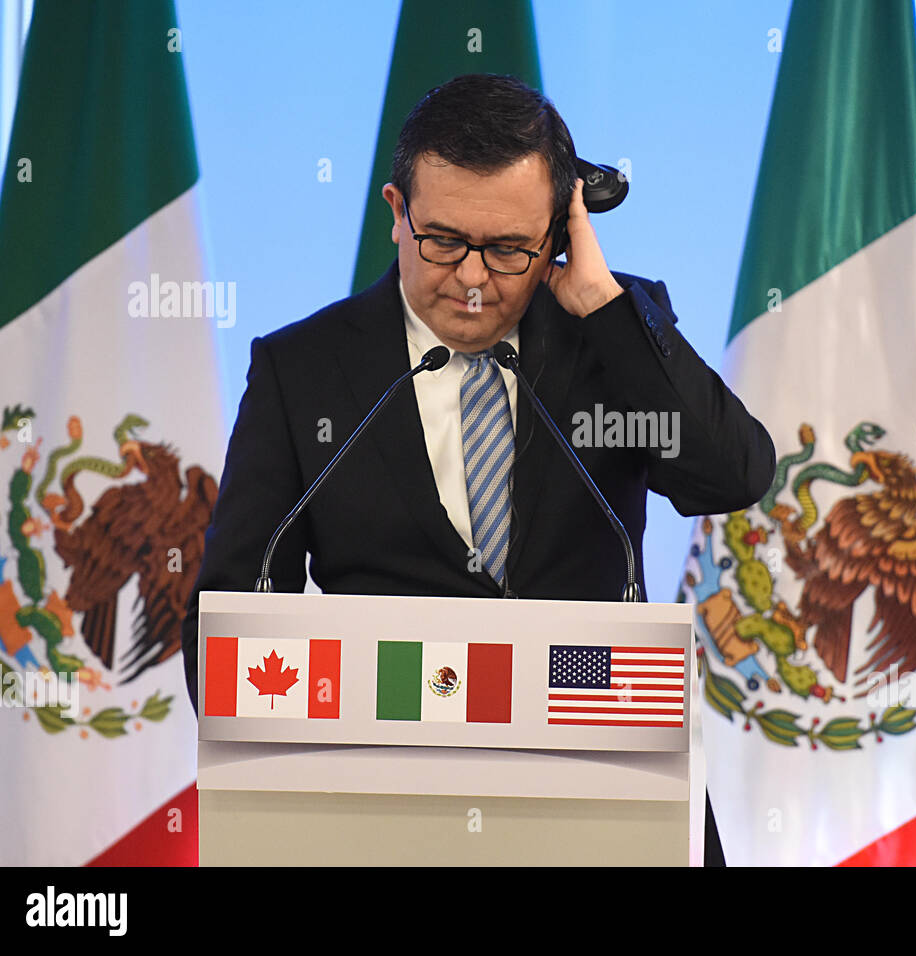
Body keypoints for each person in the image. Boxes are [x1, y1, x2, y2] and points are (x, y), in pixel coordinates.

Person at [180, 73, 775, 865]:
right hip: (380, 823)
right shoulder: (305, 370)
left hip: (608, 806)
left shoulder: (612, 339)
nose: (469, 279)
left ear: (561, 232)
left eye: (506, 250)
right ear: (397, 212)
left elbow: (733, 474)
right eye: (444, 241)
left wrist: (599, 301)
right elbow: (230, 618)